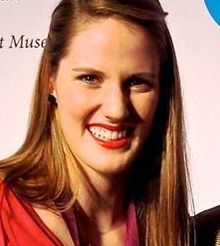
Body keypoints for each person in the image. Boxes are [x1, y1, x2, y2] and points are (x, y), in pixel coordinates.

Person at [0, 0, 191, 245]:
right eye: (89, 78)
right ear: (51, 78)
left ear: (162, 92)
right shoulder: (5, 213)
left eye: (137, 82)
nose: (117, 109)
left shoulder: (176, 230)